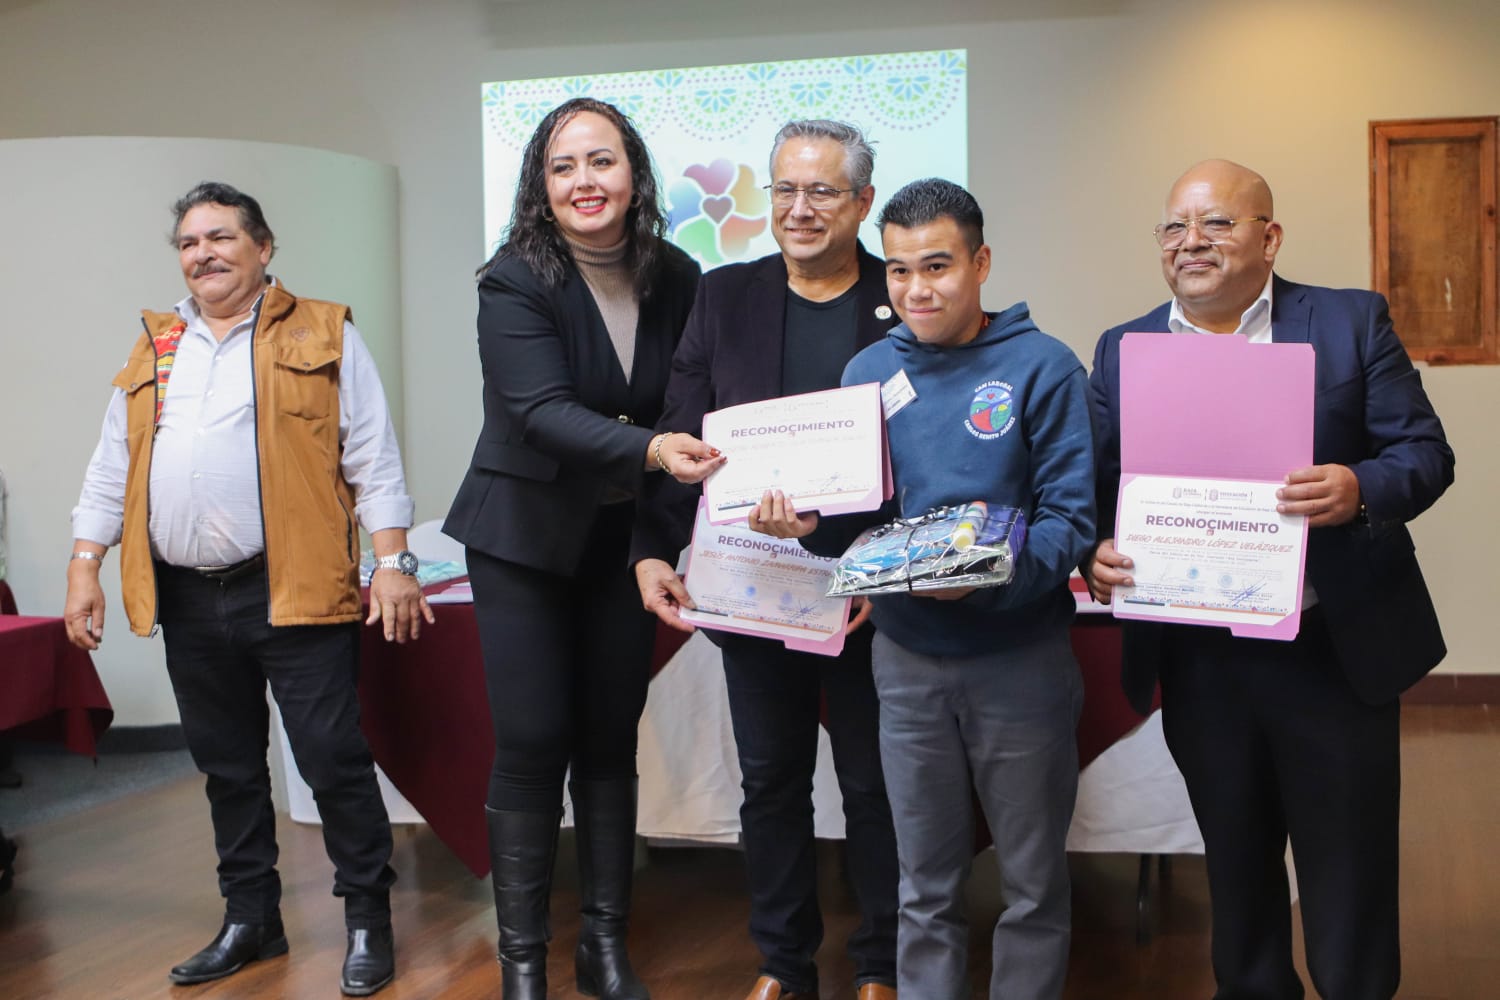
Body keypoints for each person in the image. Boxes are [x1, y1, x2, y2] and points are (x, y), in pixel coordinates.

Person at [1084, 159, 1455, 1000]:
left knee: (1349, 867)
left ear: (1270, 237)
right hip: (1199, 658)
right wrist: (1091, 553)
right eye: (1175, 226)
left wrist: (1359, 486)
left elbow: (1426, 454)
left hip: (1331, 649)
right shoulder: (1123, 349)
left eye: (1216, 222)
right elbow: (1097, 490)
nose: (1191, 241)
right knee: (1236, 864)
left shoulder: (1349, 322)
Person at [64, 181, 432, 996]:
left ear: (263, 248)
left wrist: (394, 562)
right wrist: (84, 562)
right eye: (189, 243)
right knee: (227, 766)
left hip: (294, 585)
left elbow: (372, 456)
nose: (204, 254)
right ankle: (251, 919)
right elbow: (111, 466)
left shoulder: (324, 330)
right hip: (188, 596)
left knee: (332, 758)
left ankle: (366, 918)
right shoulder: (155, 346)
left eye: (221, 237)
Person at [753, 178, 1094, 1000]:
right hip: (906, 664)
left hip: (1020, 661)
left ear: (981, 263)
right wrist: (808, 527)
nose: (917, 290)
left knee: (1032, 885)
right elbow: (857, 523)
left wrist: (981, 580)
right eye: (900, 270)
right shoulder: (869, 369)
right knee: (925, 884)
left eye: (937, 267)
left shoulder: (1044, 366)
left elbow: (1071, 522)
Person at [443, 97, 710, 1000]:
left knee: (607, 740)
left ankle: (603, 949)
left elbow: (688, 401)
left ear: (634, 173)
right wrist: (654, 449)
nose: (584, 181)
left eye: (602, 161)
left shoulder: (677, 274)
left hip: (624, 543)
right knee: (532, 740)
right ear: (541, 184)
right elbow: (538, 412)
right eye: (563, 166)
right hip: (521, 539)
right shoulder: (514, 278)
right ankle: (523, 965)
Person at [631, 119, 900, 1000]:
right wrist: (650, 549)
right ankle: (783, 963)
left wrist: (886, 570)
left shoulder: (900, 297)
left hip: (865, 592)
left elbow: (928, 454)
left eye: (822, 190)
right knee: (770, 783)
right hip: (754, 583)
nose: (799, 208)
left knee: (874, 785)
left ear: (862, 201)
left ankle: (882, 964)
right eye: (785, 189)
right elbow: (682, 431)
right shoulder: (725, 295)